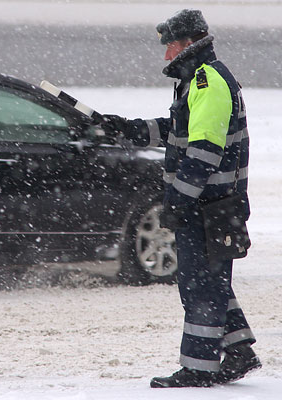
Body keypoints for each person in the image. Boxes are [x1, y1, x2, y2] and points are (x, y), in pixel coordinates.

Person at [100, 9, 261, 388]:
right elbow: (180, 128)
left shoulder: (207, 82)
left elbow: (204, 148)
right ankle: (238, 351)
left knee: (199, 285)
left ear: (187, 43)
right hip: (214, 204)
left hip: (209, 205)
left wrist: (180, 200)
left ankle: (199, 368)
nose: (165, 55)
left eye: (169, 46)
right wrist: (128, 129)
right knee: (210, 281)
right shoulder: (199, 80)